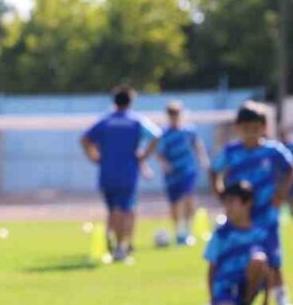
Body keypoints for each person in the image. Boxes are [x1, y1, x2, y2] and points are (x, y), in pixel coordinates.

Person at [209, 103, 293, 305]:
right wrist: (220, 192)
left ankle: (281, 300)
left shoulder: (273, 151)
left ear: (264, 128)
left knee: (273, 259)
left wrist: (281, 194)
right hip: (239, 218)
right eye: (246, 128)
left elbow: (292, 168)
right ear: (238, 128)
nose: (251, 133)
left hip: (265, 215)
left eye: (256, 128)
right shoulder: (231, 152)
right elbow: (213, 170)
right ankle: (223, 299)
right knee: (229, 257)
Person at [80, 85, 161, 261]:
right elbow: (156, 136)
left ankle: (117, 241)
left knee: (113, 209)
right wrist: (143, 156)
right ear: (131, 101)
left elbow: (85, 139)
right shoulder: (136, 121)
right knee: (126, 209)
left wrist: (93, 156)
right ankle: (121, 246)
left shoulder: (104, 121)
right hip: (128, 172)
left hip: (107, 172)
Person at [205, 180, 270, 305]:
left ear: (247, 203)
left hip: (245, 286)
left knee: (259, 259)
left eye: (232, 202)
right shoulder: (221, 234)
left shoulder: (260, 233)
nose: (227, 207)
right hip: (225, 287)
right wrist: (212, 301)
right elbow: (211, 269)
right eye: (226, 203)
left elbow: (268, 270)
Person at [156, 101, 210, 246]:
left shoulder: (189, 131)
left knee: (187, 197)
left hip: (188, 169)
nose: (175, 117)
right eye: (172, 114)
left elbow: (197, 145)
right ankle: (179, 232)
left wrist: (203, 159)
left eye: (177, 114)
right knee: (175, 202)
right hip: (172, 173)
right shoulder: (164, 134)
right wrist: (165, 164)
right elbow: (159, 154)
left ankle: (187, 230)